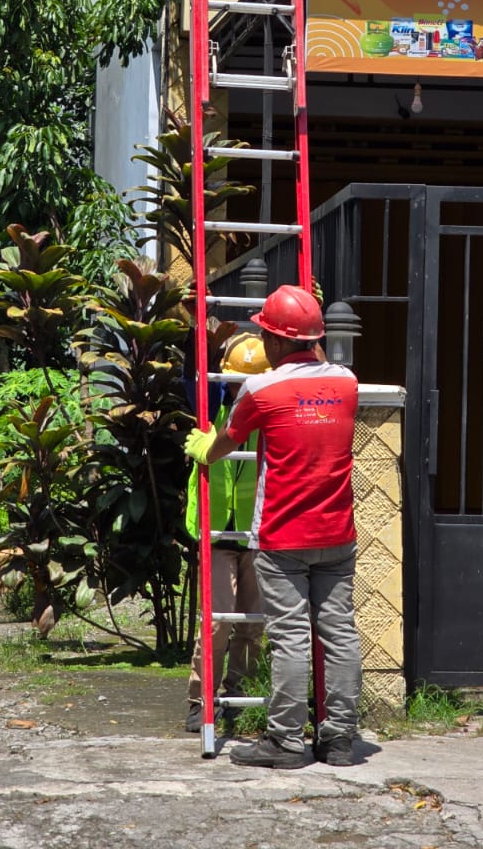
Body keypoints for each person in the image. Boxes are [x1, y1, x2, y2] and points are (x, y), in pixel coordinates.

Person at [185, 285, 361, 769]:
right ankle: (340, 740)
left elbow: (227, 440)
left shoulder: (261, 390)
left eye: (265, 333)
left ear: (277, 341)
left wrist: (204, 449)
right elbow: (317, 369)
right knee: (340, 634)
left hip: (283, 536)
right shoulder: (347, 384)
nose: (261, 340)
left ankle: (286, 741)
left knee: (291, 637)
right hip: (337, 533)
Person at [182, 333, 266, 734]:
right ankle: (201, 700)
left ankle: (238, 695)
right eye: (233, 381)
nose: (238, 389)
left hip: (258, 530)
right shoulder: (214, 404)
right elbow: (193, 379)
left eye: (244, 383)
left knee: (252, 624)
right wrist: (198, 337)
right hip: (218, 531)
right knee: (216, 623)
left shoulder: (270, 409)